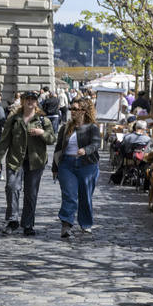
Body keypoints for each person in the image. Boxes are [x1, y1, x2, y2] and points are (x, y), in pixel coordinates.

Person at [0, 90, 56, 236]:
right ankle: (12, 220)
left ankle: (28, 224)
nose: (30, 101)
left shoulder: (43, 120)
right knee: (12, 188)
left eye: (33, 99)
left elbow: (52, 139)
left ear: (36, 102)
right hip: (15, 160)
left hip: (36, 161)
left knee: (31, 193)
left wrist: (42, 133)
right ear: (22, 101)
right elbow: (4, 141)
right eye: (27, 99)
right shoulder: (14, 120)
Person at [52, 96, 102, 239]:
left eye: (75, 109)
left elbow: (96, 143)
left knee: (85, 196)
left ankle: (85, 224)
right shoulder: (65, 127)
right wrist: (55, 168)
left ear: (83, 111)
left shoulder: (92, 127)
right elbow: (58, 148)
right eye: (71, 109)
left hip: (87, 165)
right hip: (67, 164)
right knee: (69, 195)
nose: (72, 111)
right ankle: (66, 224)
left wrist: (86, 150)